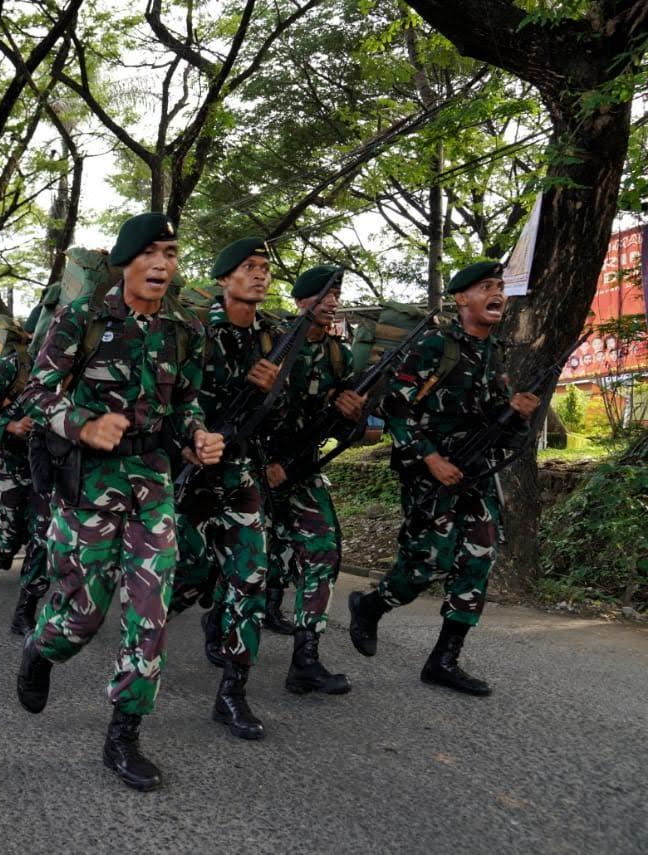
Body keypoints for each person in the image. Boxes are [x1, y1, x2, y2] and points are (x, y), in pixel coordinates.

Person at [15, 213, 225, 792]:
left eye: (172, 254)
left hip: (152, 486)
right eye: (151, 253)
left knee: (149, 611)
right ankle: (41, 648)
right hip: (87, 486)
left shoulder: (184, 329)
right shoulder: (81, 319)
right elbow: (36, 392)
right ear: (126, 261)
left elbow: (184, 405)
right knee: (81, 617)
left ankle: (124, 732)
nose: (162, 264)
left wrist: (198, 438)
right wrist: (82, 424)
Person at [350, 260, 539, 696]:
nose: (497, 294)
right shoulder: (436, 344)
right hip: (429, 474)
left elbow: (497, 418)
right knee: (427, 562)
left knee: (479, 555)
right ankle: (371, 606)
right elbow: (396, 407)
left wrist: (518, 415)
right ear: (461, 298)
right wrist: (430, 458)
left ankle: (444, 660)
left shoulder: (495, 351)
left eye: (500, 287)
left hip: (474, 472)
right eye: (486, 287)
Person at [169, 236, 283, 742]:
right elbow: (174, 397)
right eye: (248, 268)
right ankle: (142, 628)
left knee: (250, 581)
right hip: (191, 475)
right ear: (223, 279)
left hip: (241, 478)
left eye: (264, 268)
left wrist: (272, 390)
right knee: (188, 576)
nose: (260, 275)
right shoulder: (195, 331)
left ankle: (233, 693)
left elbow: (278, 412)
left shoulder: (274, 337)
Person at [262, 266, 365, 695]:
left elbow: (347, 431)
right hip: (254, 466)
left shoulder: (338, 355)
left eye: (336, 294)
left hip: (301, 469)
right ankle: (221, 624)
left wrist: (352, 413)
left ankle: (305, 658)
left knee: (323, 550)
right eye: (323, 294)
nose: (331, 301)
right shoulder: (272, 341)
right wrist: (261, 463)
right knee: (240, 561)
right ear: (302, 300)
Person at [0, 339, 51, 634]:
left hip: (47, 469)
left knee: (44, 539)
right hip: (9, 466)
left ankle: (25, 612)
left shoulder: (75, 365)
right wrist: (10, 426)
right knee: (10, 538)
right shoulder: (15, 365)